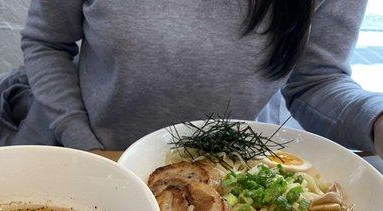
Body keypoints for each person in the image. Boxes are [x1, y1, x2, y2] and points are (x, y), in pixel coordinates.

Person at [20, 0, 383, 156]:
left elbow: (315, 81)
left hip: (238, 177)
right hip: (100, 157)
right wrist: (84, 142)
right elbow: (46, 42)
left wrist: (376, 119)